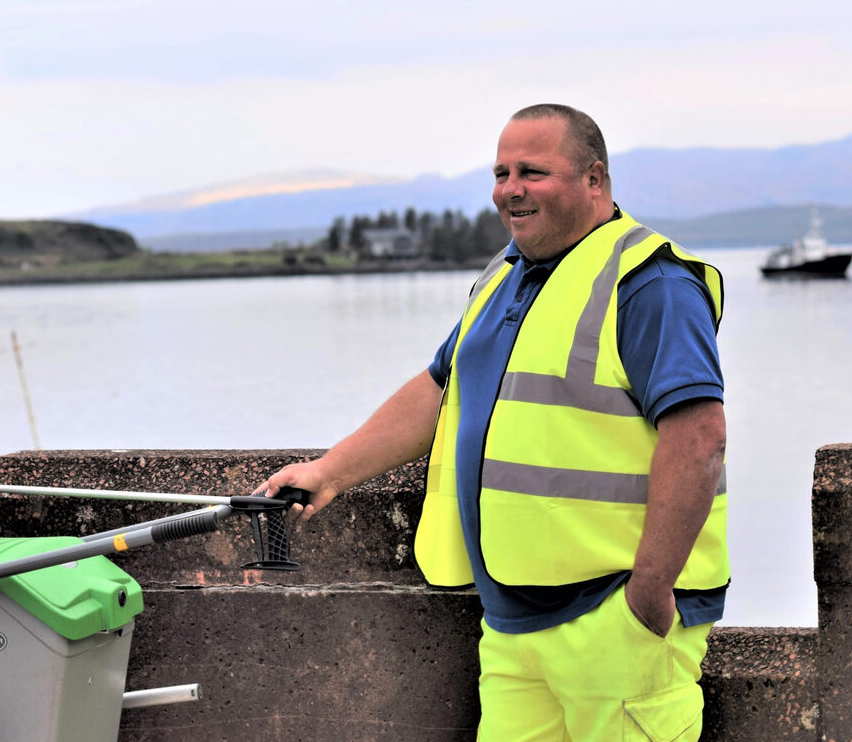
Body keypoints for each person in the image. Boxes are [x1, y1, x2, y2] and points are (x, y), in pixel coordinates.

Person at [256, 104, 728, 740]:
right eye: (502, 172)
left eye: (533, 171)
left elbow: (699, 439)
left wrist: (648, 593)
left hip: (615, 619)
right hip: (512, 625)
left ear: (595, 179)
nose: (511, 188)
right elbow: (438, 389)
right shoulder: (504, 275)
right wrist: (329, 471)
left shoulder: (650, 283)